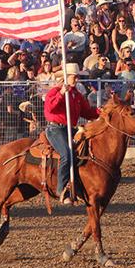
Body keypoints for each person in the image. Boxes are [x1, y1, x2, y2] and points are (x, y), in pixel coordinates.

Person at [43, 63, 100, 204]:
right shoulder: (54, 92)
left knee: (86, 149)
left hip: (70, 128)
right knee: (66, 155)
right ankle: (61, 189)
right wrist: (61, 93)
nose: (77, 79)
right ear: (66, 77)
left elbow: (87, 112)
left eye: (77, 76)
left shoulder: (76, 95)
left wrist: (100, 111)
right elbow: (50, 108)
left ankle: (79, 185)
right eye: (74, 76)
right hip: (56, 129)